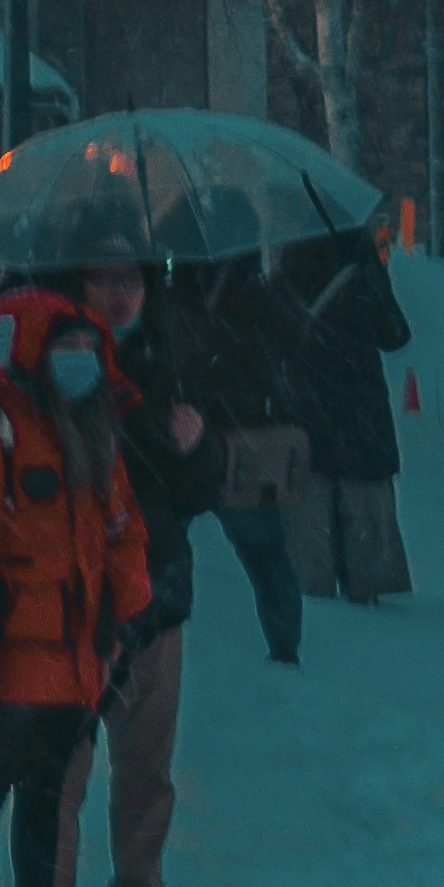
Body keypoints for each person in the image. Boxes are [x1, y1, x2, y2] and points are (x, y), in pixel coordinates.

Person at [0, 282, 151, 887]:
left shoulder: (91, 430)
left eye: (87, 348)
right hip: (16, 652)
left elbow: (122, 531)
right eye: (65, 346)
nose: (80, 359)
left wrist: (126, 614)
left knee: (41, 794)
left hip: (77, 655)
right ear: (30, 349)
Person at [47, 260, 218, 887]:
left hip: (155, 585)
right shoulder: (60, 360)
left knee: (147, 760)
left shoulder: (170, 356)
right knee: (63, 760)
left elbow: (199, 491)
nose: (117, 294)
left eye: (131, 280)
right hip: (79, 591)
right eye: (102, 277)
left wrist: (191, 443)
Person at [167, 255, 306, 667]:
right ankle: (284, 650)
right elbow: (296, 340)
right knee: (264, 552)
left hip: (189, 434)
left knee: (167, 539)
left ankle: (166, 627)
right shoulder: (259, 294)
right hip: (247, 434)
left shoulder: (173, 294)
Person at [273, 226, 415, 603]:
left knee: (309, 516)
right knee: (364, 509)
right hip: (358, 411)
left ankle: (315, 588)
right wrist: (372, 276)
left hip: (304, 407)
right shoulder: (361, 273)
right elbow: (396, 334)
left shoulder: (290, 265)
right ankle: (365, 591)